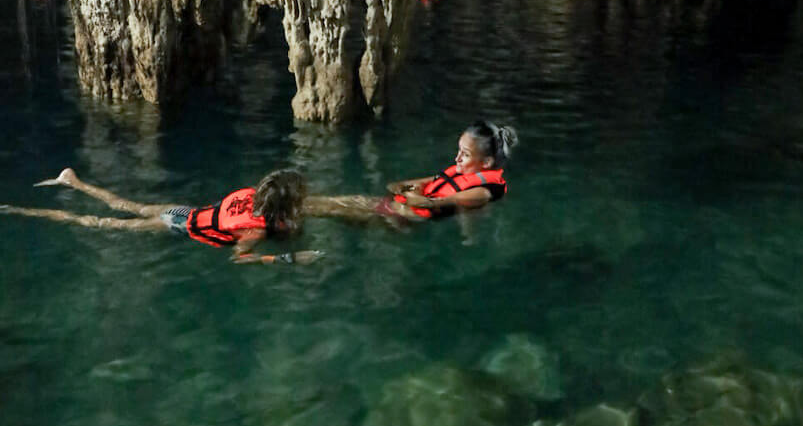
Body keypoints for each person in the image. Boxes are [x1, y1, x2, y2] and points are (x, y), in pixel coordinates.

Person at [0, 167, 320, 264]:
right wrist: (282, 260)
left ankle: (73, 181)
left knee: (126, 206)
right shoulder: (255, 232)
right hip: (177, 224)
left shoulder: (250, 195)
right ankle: (24, 210)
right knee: (102, 222)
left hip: (184, 211)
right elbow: (237, 259)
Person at [383, 120, 517, 220]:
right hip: (398, 209)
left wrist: (415, 191)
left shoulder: (482, 192)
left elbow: (427, 204)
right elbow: (395, 186)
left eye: (465, 154)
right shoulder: (458, 172)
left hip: (405, 220)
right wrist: (412, 191)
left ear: (486, 162)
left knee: (365, 208)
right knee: (364, 204)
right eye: (459, 150)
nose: (457, 158)